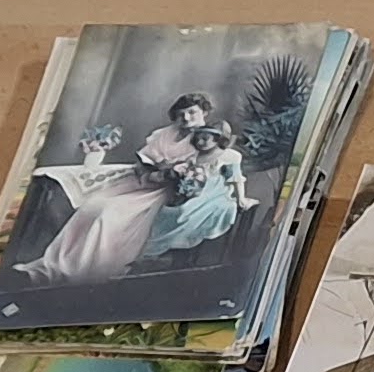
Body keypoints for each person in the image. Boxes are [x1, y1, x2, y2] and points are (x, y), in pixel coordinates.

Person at [20, 92, 220, 285]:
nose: (186, 118)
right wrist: (149, 172)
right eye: (181, 114)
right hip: (144, 182)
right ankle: (56, 265)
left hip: (164, 191)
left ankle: (87, 271)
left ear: (204, 112)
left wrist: (171, 174)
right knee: (93, 205)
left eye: (192, 112)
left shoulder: (205, 139)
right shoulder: (165, 133)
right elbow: (145, 159)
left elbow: (199, 170)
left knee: (109, 213)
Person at [137, 125, 249, 264]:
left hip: (215, 192)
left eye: (205, 139)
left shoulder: (230, 156)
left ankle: (178, 248)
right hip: (195, 189)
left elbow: (236, 179)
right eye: (198, 139)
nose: (200, 142)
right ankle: (156, 250)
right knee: (167, 211)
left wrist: (241, 198)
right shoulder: (194, 155)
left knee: (185, 212)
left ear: (218, 140)